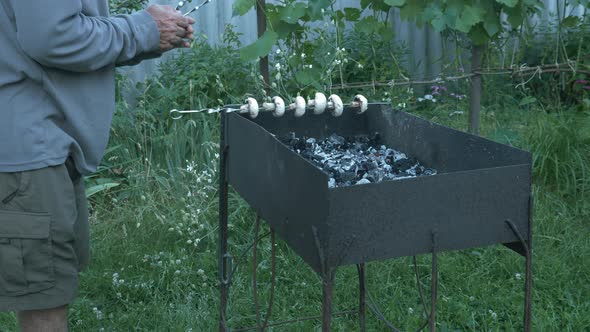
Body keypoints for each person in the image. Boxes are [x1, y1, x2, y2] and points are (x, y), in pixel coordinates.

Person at [0, 1, 195, 331]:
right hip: (29, 153)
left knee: (42, 294)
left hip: (39, 147)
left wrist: (148, 33)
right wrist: (143, 30)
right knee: (44, 306)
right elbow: (53, 37)